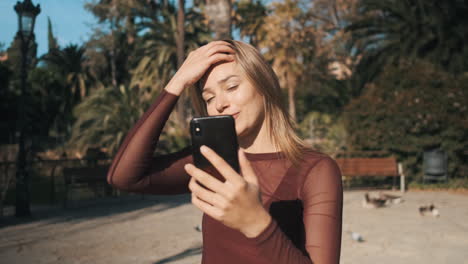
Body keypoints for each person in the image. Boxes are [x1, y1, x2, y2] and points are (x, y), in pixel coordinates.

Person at [107, 39, 343, 264]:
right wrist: (176, 83)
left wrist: (256, 223)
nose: (219, 104)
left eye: (231, 87)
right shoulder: (214, 161)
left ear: (264, 85)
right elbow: (124, 177)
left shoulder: (315, 169)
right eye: (209, 98)